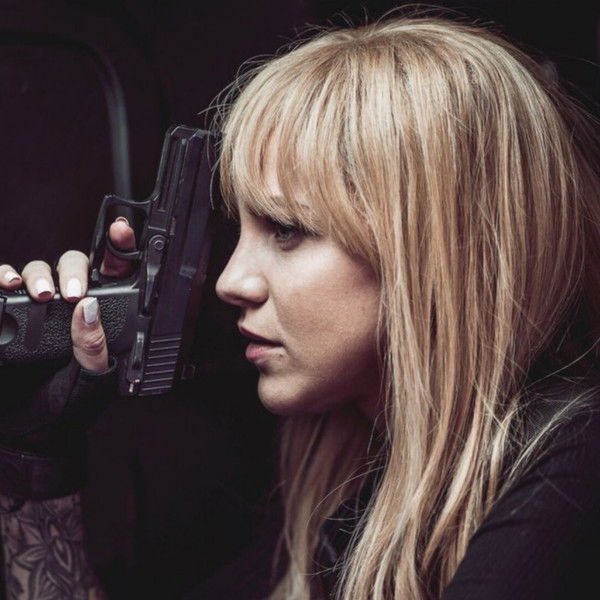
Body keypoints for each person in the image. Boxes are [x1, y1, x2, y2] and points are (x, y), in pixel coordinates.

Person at [1, 12, 600, 600]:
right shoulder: (343, 483)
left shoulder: (574, 462)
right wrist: (37, 460)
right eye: (241, 230)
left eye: (287, 229)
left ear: (436, 252)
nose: (230, 281)